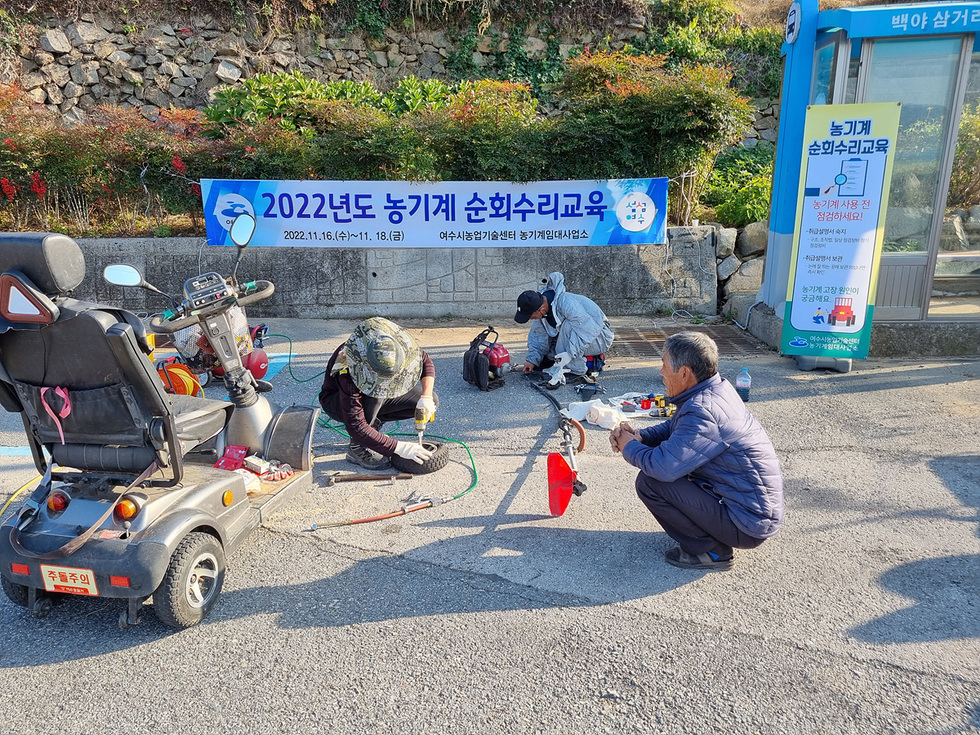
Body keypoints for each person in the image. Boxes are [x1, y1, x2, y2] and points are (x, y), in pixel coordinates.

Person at [609, 331, 783, 571]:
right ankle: (709, 536)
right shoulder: (715, 390)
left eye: (664, 365)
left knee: (651, 482)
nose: (661, 372)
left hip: (748, 523)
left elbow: (662, 467)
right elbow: (678, 428)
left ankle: (711, 551)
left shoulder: (704, 410)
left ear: (684, 373)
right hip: (749, 509)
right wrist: (641, 436)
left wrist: (629, 446)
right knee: (670, 469)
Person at [318, 317, 438, 470]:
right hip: (338, 402)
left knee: (431, 399)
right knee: (376, 394)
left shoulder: (393, 343)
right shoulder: (348, 365)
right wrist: (399, 448)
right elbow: (355, 424)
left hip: (373, 394)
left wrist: (426, 397)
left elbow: (425, 360)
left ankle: (371, 431)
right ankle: (357, 448)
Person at [514, 271, 614, 380]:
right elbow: (538, 336)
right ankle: (565, 361)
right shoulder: (541, 311)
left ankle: (575, 370)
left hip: (599, 337)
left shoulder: (567, 304)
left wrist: (570, 354)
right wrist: (532, 360)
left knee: (567, 325)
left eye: (531, 316)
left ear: (541, 310)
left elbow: (587, 330)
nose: (530, 319)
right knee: (549, 355)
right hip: (581, 336)